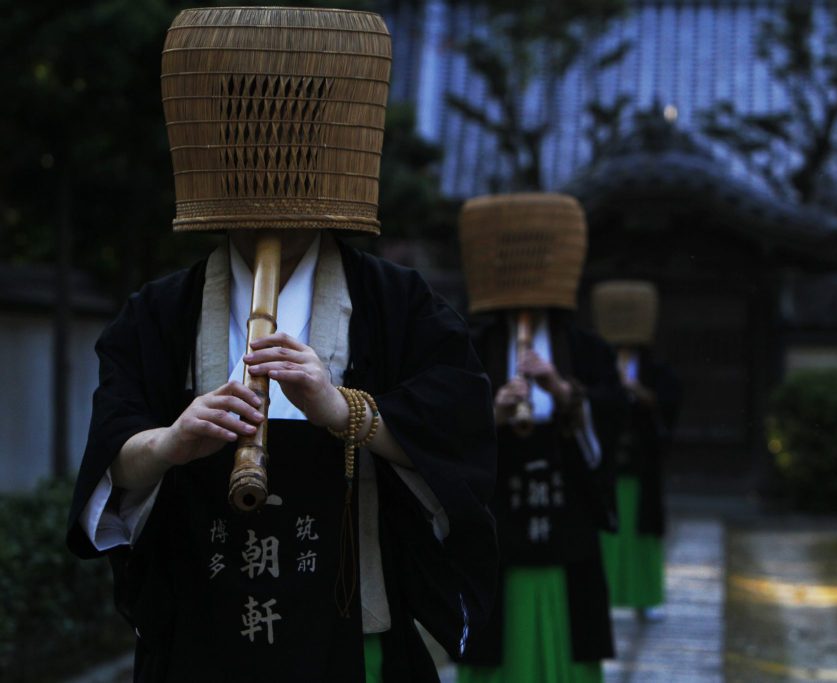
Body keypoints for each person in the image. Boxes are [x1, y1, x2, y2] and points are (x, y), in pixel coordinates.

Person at [66, 8, 497, 682]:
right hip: (200, 634)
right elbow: (112, 449)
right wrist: (172, 441)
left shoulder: (396, 302)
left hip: (354, 631)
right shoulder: (160, 313)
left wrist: (345, 409)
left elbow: (462, 420)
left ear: (326, 158)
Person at [455, 193, 623, 683]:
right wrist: (494, 416)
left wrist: (564, 392)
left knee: (571, 619)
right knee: (496, 622)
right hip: (500, 506)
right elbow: (447, 428)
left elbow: (611, 417)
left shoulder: (586, 348)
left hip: (565, 498)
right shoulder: (471, 344)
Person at [593, 281, 680, 621]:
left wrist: (641, 393)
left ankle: (647, 596)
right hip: (610, 464)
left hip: (643, 467)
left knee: (643, 534)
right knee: (607, 534)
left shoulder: (656, 370)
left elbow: (669, 403)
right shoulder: (599, 363)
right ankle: (606, 595)